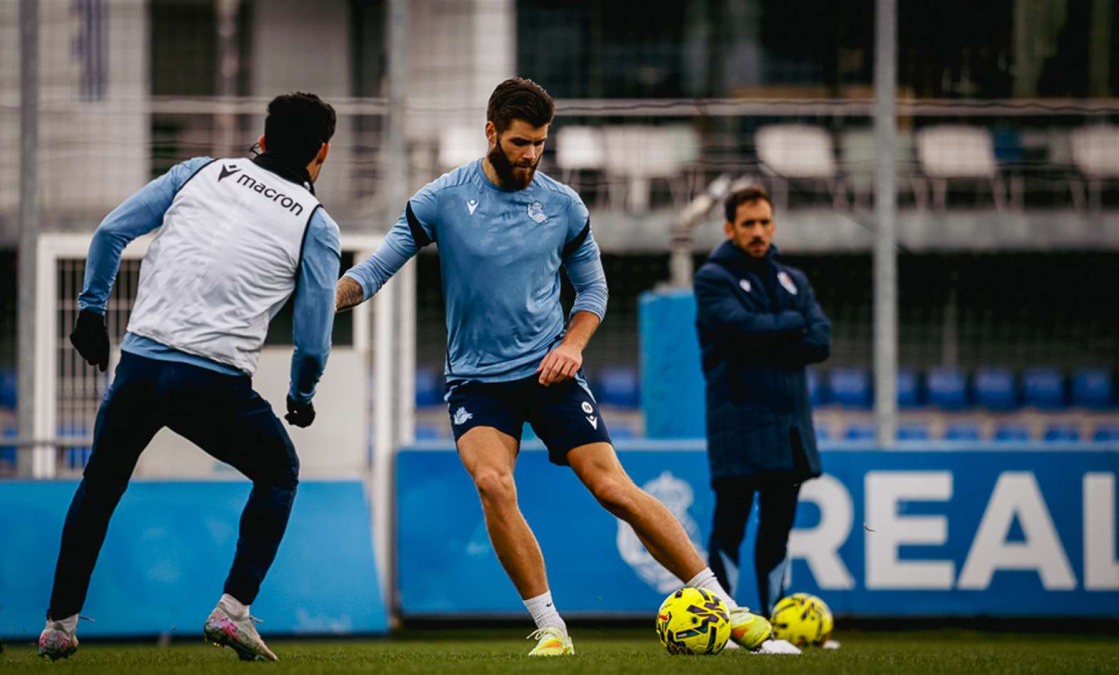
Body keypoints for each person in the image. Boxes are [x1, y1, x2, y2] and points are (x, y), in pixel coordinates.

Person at [336, 78, 798, 656]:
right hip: (477, 381)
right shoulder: (442, 200)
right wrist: (325, 300)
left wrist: (574, 345)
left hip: (550, 372)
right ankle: (552, 628)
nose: (531, 154)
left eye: (540, 144)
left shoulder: (563, 205)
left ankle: (728, 614)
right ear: (491, 133)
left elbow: (593, 293)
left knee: (614, 489)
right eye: (520, 142)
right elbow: (375, 270)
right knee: (492, 483)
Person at [37, 92, 342, 662]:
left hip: (140, 365)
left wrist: (90, 311)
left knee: (100, 487)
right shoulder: (315, 225)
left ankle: (58, 624)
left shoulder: (197, 172)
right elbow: (312, 338)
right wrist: (301, 395)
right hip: (212, 382)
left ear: (264, 136)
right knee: (279, 472)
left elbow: (109, 233)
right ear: (322, 151)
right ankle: (232, 611)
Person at [693, 184, 831, 620]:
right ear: (729, 228)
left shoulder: (794, 279)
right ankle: (725, 619)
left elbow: (821, 340)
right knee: (729, 526)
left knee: (778, 530)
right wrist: (793, 325)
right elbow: (738, 330)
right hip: (737, 424)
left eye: (764, 222)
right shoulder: (714, 278)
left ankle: (776, 618)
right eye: (748, 223)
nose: (758, 231)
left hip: (788, 429)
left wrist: (771, 333)